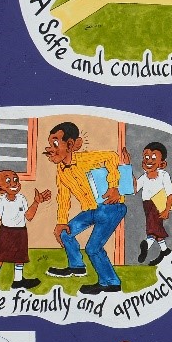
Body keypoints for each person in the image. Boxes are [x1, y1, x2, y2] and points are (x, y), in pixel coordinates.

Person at [44, 121, 129, 295]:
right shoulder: (61, 171)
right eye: (50, 143)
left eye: (55, 143)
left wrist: (113, 186)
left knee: (93, 248)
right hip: (90, 210)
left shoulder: (84, 159)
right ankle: (77, 266)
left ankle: (111, 282)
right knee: (64, 233)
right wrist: (61, 222)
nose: (50, 149)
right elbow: (63, 197)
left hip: (110, 208)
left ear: (70, 144)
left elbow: (111, 157)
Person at [0, 169, 50, 290]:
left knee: (20, 258)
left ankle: (18, 281)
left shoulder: (21, 198)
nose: (14, 183)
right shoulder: (1, 200)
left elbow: (29, 216)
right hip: (6, 232)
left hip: (21, 232)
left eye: (15, 180)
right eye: (8, 181)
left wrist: (36, 202)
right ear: (1, 189)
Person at [134, 143, 172, 265]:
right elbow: (134, 189)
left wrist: (167, 210)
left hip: (158, 205)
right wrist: (128, 173)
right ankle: (165, 250)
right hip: (147, 205)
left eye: (153, 158)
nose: (149, 161)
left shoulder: (164, 175)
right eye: (146, 157)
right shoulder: (144, 177)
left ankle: (146, 246)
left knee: (152, 228)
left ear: (162, 164)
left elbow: (171, 193)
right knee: (156, 229)